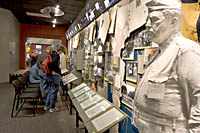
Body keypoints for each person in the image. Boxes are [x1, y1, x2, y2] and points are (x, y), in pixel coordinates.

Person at [134, 0, 200, 133]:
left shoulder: (186, 50)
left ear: (173, 22)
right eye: (147, 20)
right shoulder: (160, 53)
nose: (147, 25)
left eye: (154, 20)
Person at [44, 45, 65, 112]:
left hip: (49, 76)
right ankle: (52, 108)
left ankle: (46, 106)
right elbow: (51, 64)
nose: (61, 53)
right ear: (60, 50)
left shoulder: (52, 54)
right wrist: (53, 71)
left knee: (51, 91)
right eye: (62, 52)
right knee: (54, 92)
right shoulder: (56, 55)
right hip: (54, 76)